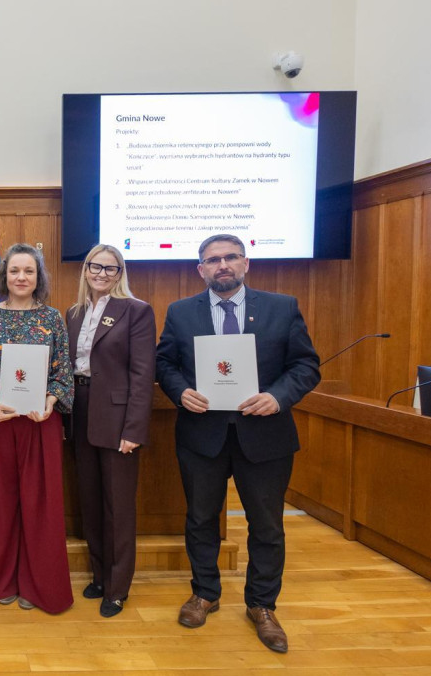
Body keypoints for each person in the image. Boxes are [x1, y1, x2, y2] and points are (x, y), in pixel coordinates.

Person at [155, 234, 319, 653]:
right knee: (200, 519)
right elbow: (165, 363)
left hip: (265, 437)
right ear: (201, 270)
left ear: (246, 263)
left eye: (230, 257)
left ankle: (262, 605)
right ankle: (204, 593)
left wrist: (277, 397)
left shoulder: (281, 307)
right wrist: (180, 391)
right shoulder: (180, 312)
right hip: (201, 436)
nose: (222, 265)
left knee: (266, 526)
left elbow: (305, 365)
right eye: (213, 260)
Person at [0, 242, 74, 614]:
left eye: (29, 271)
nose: (21, 277)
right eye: (15, 271)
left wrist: (49, 403)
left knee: (39, 504)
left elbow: (63, 371)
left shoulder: (54, 318)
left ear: (38, 277)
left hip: (40, 422)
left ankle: (38, 583)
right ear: (4, 276)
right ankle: (1, 580)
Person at [65, 244, 155, 618]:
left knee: (117, 507)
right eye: (95, 266)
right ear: (85, 269)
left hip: (118, 419)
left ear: (121, 274)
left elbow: (142, 374)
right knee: (90, 502)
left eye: (110, 268)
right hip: (80, 411)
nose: (101, 273)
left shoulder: (136, 310)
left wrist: (133, 428)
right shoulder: (73, 312)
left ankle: (118, 589)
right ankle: (100, 576)